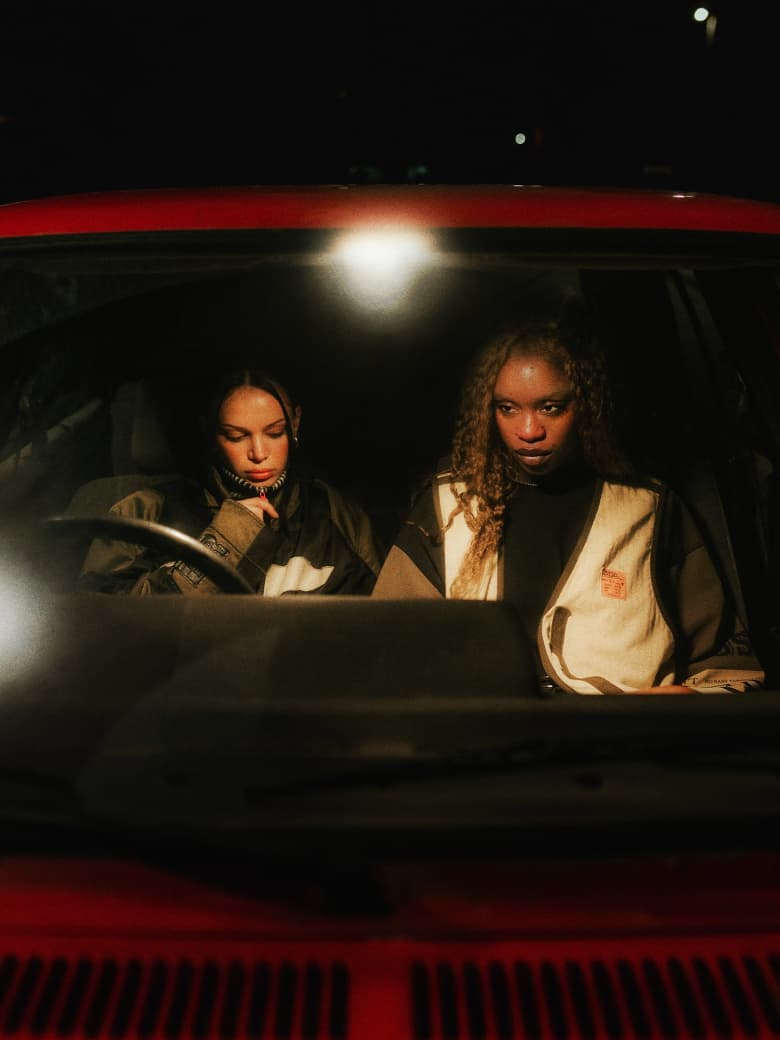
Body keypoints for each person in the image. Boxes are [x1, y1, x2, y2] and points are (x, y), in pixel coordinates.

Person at [372, 309, 765, 695]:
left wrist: (678, 700)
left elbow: (726, 666)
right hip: (483, 729)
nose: (529, 430)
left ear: (587, 405)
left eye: (550, 408)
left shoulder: (648, 508)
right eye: (507, 408)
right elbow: (384, 647)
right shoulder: (451, 504)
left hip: (619, 733)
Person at [78, 369, 382, 595]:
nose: (258, 453)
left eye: (275, 433)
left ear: (295, 423)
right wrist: (225, 542)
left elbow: (385, 621)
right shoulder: (144, 514)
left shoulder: (335, 514)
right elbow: (105, 625)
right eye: (236, 436)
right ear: (212, 434)